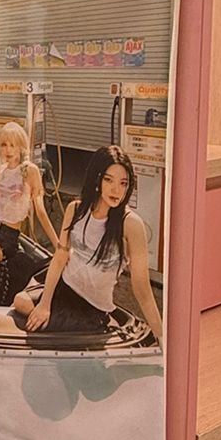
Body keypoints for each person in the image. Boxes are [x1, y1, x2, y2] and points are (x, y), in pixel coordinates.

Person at [14, 143, 163, 345]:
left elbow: (142, 289)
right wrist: (45, 304)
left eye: (123, 183)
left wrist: (161, 338)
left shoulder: (131, 224)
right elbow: (60, 259)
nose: (116, 190)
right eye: (109, 180)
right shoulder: (75, 209)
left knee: (46, 333)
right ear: (97, 179)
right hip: (64, 288)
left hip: (92, 308)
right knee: (21, 301)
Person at [0, 120, 59, 302]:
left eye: (13, 145)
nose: (8, 150)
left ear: (21, 147)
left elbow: (40, 212)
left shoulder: (29, 170)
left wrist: (59, 246)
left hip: (8, 238)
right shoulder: (0, 170)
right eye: (4, 145)